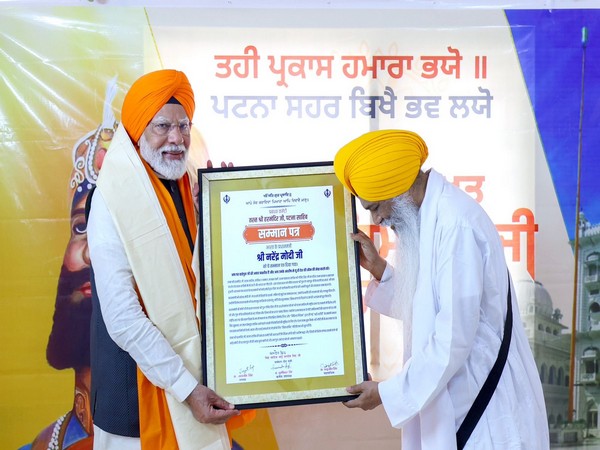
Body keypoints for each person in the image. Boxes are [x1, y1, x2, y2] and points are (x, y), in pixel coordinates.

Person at [335, 130, 549, 449]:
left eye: (376, 206)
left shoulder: (456, 225)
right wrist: (380, 269)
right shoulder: (433, 218)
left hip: (486, 421)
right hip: (461, 410)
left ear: (399, 188)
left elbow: (450, 341)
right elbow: (428, 309)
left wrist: (385, 393)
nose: (377, 219)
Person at [86, 69, 242, 449]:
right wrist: (186, 389)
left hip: (194, 381)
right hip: (134, 399)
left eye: (184, 126)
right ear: (139, 131)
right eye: (162, 127)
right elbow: (123, 318)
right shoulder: (110, 199)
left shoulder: (188, 182)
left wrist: (223, 212)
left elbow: (199, 275)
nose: (176, 139)